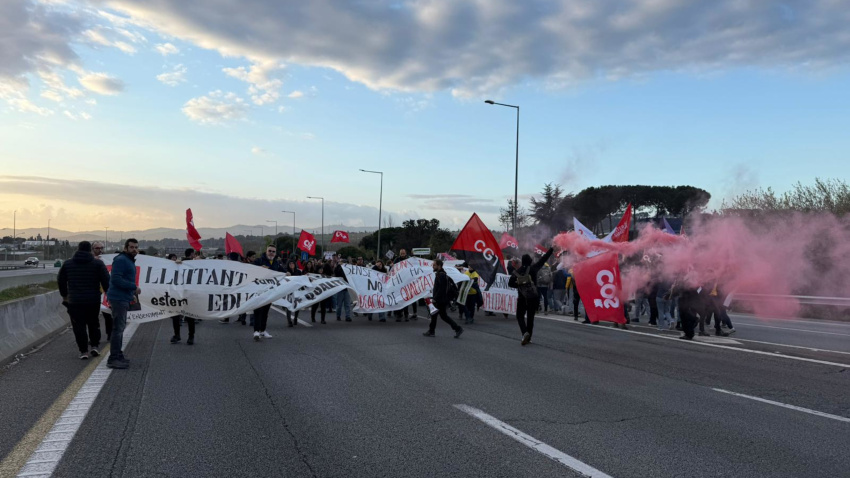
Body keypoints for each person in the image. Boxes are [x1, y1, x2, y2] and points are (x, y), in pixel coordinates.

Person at [58, 241, 110, 359]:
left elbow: (61, 281)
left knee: (78, 326)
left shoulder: (68, 264)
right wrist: (109, 295)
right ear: (90, 250)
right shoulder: (98, 264)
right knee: (93, 323)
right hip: (93, 300)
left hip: (75, 300)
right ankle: (95, 346)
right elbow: (106, 281)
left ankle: (83, 351)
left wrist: (65, 295)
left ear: (78, 249)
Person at [105, 238, 140, 369]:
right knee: (118, 329)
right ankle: (113, 358)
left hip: (123, 298)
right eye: (131, 247)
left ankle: (118, 355)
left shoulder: (128, 260)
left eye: (136, 247)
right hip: (118, 299)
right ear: (126, 248)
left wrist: (131, 294)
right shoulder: (121, 260)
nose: (134, 249)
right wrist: (133, 287)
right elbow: (116, 279)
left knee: (120, 328)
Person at [508, 247, 554, 345]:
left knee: (519, 316)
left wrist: (519, 284)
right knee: (530, 318)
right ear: (530, 261)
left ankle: (524, 333)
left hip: (522, 297)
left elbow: (510, 283)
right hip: (533, 297)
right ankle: (529, 338)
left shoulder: (517, 271)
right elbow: (543, 259)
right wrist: (551, 249)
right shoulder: (533, 268)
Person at [422, 259, 463, 338]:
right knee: (442, 316)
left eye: (434, 265)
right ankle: (457, 328)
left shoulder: (441, 275)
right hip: (441, 299)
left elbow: (441, 289)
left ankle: (432, 331)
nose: (432, 266)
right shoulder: (441, 274)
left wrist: (435, 298)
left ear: (439, 266)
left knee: (436, 315)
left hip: (440, 300)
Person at [252, 245, 283, 340]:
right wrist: (260, 268)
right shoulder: (259, 261)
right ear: (266, 251)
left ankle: (262, 330)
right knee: (258, 311)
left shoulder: (276, 263)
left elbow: (283, 272)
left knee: (265, 312)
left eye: (273, 251)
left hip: (269, 292)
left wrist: (289, 273)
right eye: (270, 251)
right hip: (259, 291)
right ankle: (256, 331)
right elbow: (250, 269)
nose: (271, 253)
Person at [171, 248, 197, 344]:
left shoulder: (181, 263)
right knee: (189, 316)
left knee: (177, 316)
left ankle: (178, 335)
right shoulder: (190, 264)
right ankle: (190, 336)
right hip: (183, 292)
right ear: (192, 254)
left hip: (183, 292)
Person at [91, 241, 112, 340]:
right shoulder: (89, 260)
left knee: (108, 314)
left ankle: (110, 334)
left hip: (104, 291)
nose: (100, 250)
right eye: (97, 248)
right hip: (93, 291)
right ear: (92, 249)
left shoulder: (107, 259)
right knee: (93, 317)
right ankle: (94, 338)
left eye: (101, 248)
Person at [284, 259, 302, 327]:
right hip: (288, 291)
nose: (291, 265)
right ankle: (289, 321)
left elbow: (302, 279)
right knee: (288, 305)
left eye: (292, 263)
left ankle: (295, 318)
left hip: (297, 290)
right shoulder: (286, 272)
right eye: (290, 264)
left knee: (297, 305)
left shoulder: (298, 272)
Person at [334, 257, 352, 321]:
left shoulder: (348, 269)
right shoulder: (338, 268)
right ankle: (338, 315)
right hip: (340, 288)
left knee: (347, 304)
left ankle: (348, 316)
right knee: (339, 304)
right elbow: (336, 273)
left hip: (347, 289)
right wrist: (339, 265)